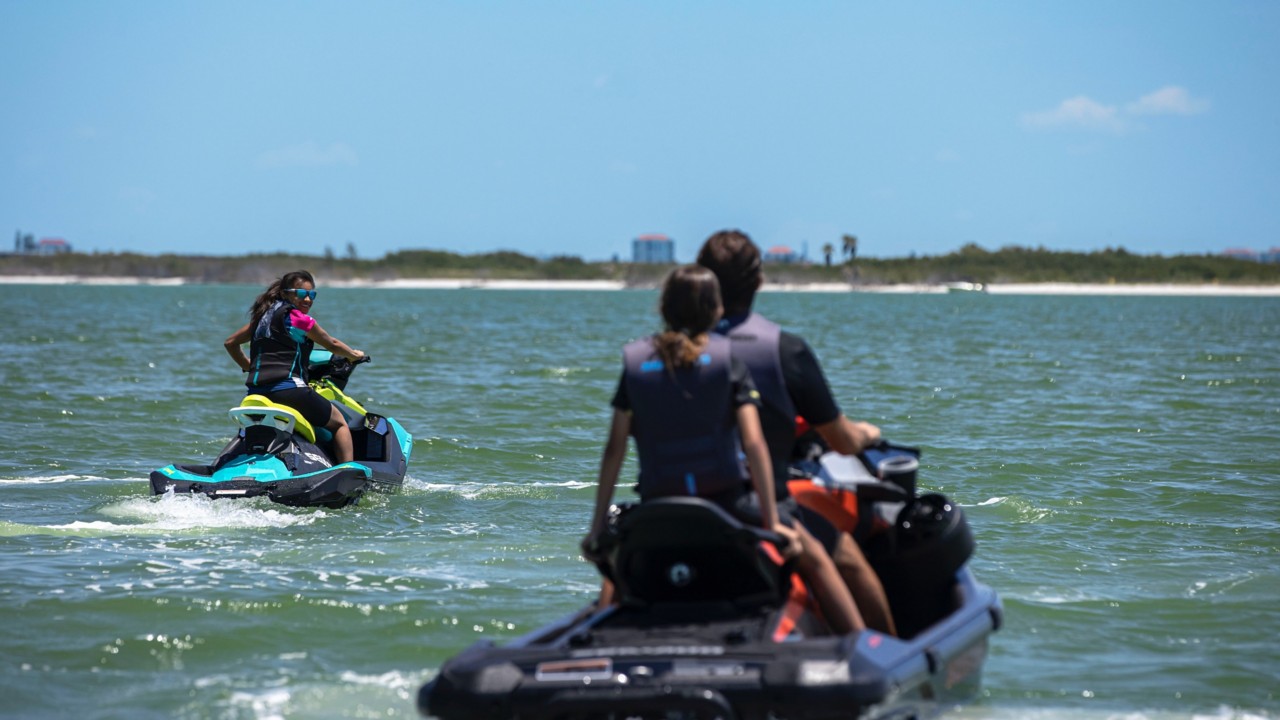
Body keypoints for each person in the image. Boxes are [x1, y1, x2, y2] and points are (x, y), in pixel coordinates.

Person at [581, 265, 864, 634]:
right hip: (727, 503)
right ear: (715, 311)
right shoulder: (728, 361)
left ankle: (591, 637)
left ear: (664, 308)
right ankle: (863, 645)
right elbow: (754, 444)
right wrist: (771, 520)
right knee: (816, 558)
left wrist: (597, 525)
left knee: (617, 573)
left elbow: (614, 449)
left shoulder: (637, 364)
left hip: (657, 505)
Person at [697, 230, 898, 636]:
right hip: (753, 506)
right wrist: (867, 433)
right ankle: (886, 653)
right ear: (759, 281)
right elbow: (842, 441)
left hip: (681, 501)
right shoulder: (784, 350)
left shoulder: (673, 347)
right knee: (850, 560)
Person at [223, 270, 365, 464]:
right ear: (285, 293)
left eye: (311, 294)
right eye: (301, 294)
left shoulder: (261, 318)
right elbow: (331, 344)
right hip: (289, 389)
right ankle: (349, 472)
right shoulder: (298, 319)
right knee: (339, 424)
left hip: (256, 392)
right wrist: (353, 355)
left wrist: (249, 367)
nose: (307, 299)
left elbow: (230, 343)